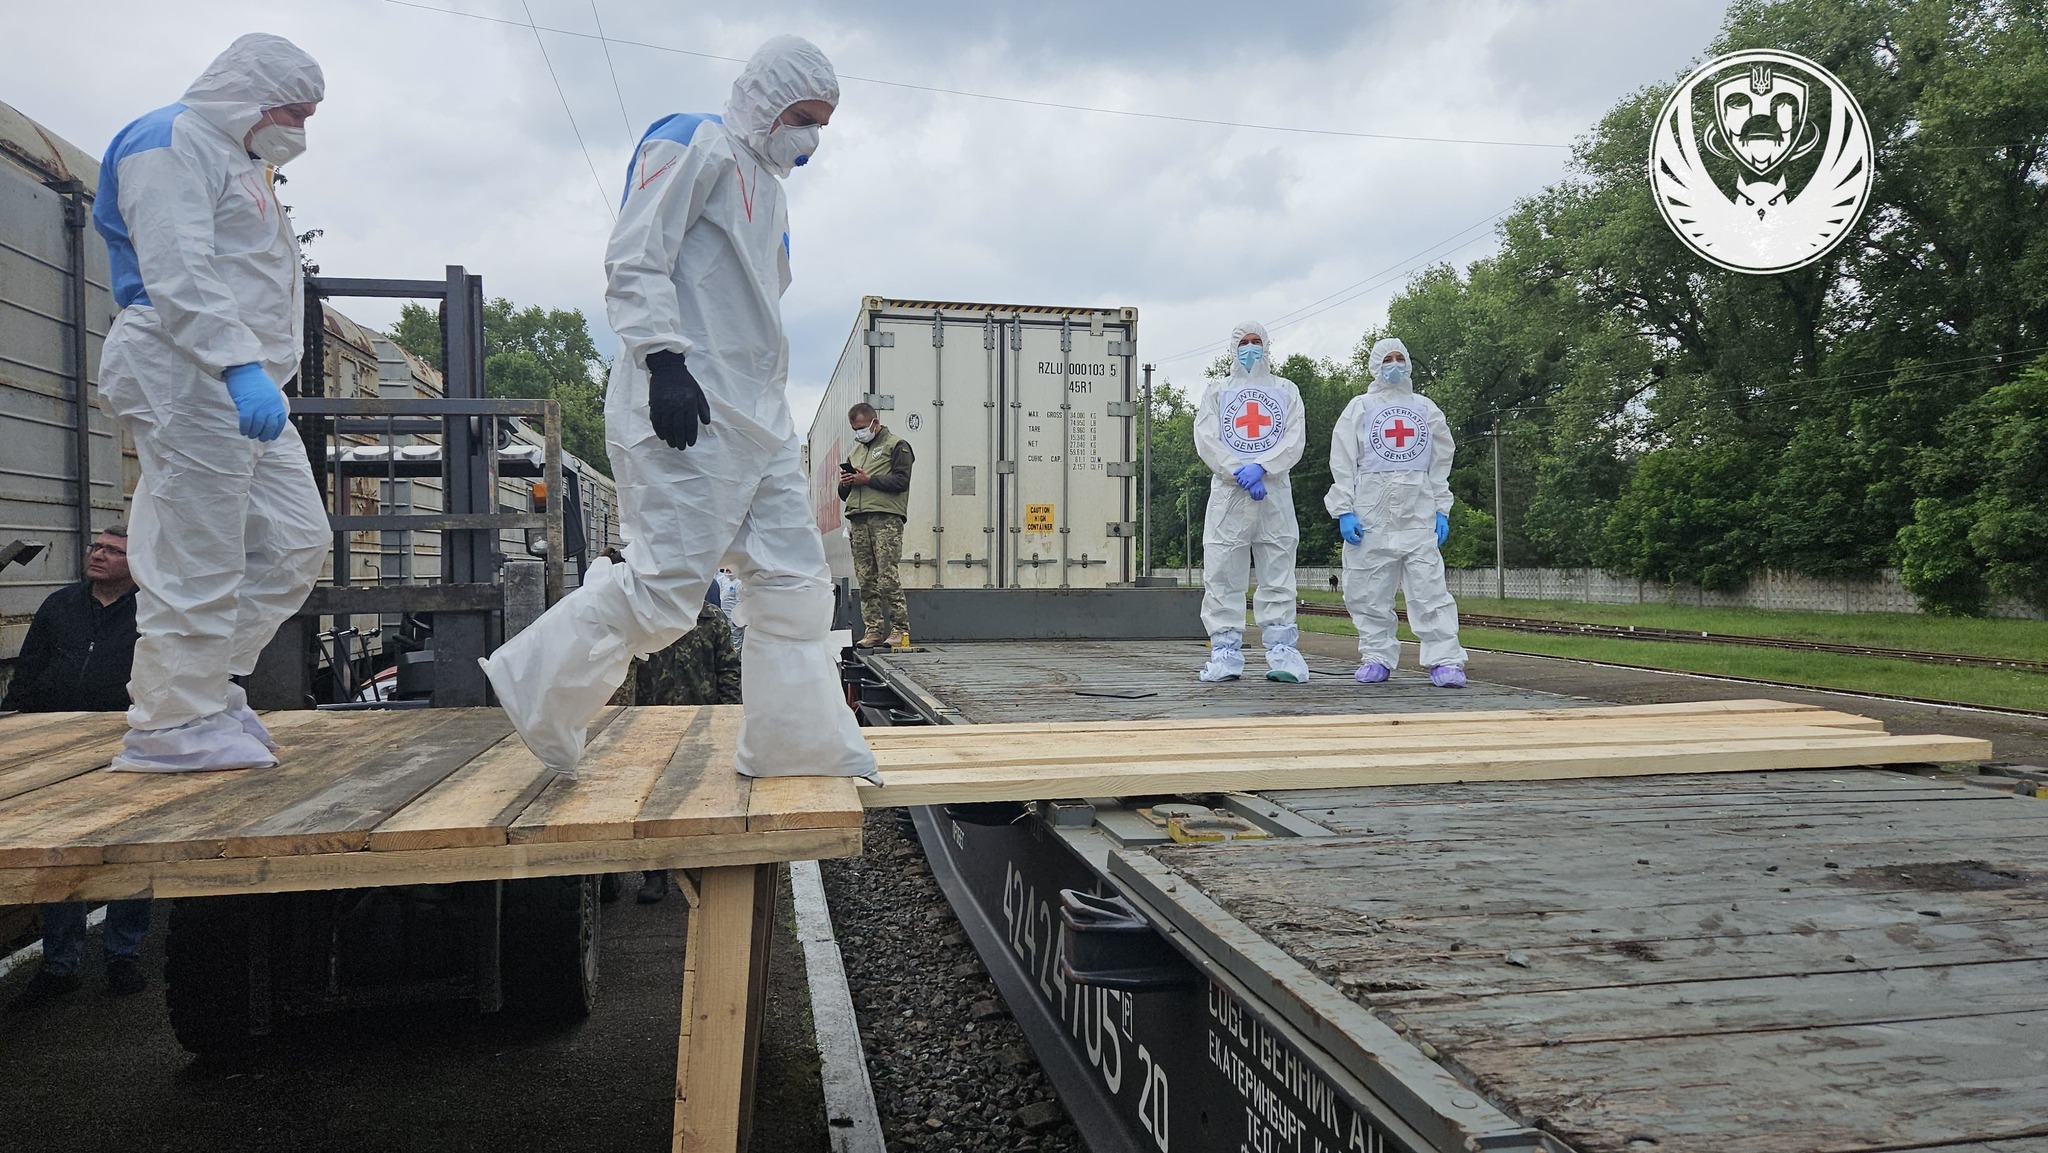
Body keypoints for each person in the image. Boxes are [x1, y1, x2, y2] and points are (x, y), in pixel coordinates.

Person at [482, 36, 877, 783]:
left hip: (758, 418)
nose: (811, 139)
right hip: (688, 405)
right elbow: (638, 252)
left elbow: (751, 307)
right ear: (766, 100)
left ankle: (793, 743)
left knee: (796, 583)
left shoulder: (771, 193)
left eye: (821, 125)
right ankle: (536, 685)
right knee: (665, 594)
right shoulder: (694, 143)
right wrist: (663, 358)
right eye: (802, 118)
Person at [93, 34, 332, 772]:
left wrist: (253, 370)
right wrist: (236, 363)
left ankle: (205, 686)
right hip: (186, 365)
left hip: (241, 379)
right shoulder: (168, 142)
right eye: (293, 112)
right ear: (250, 94)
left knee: (295, 540)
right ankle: (169, 723)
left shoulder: (238, 159)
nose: (299, 129)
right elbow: (178, 264)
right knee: (198, 549)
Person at [3, 526, 153, 1009]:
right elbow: (28, 669)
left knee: (129, 850)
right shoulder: (59, 605)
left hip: (126, 745)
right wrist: (13, 722)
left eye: (114, 551)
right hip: (56, 745)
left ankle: (122, 956)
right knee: (59, 853)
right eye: (97, 547)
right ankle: (59, 964)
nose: (99, 555)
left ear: (137, 562)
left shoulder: (154, 609)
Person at [1326, 337, 1468, 687]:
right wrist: (1344, 510)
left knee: (1430, 589)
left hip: (1418, 514)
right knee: (1367, 590)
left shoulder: (1425, 409)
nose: (1394, 365)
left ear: (1408, 363)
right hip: (1370, 514)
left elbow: (1441, 463)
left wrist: (1441, 508)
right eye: (1387, 359)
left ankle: (1445, 660)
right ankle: (1376, 656)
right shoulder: (1360, 407)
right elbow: (1342, 460)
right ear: (1375, 365)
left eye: (1400, 358)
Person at [1194, 322, 1308, 683]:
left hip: (1274, 493)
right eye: (1244, 342)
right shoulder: (1218, 391)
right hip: (1229, 496)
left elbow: (1294, 438)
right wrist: (1236, 471)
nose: (1250, 348)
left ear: (1267, 345)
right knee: (1223, 573)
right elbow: (1206, 438)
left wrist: (1263, 467)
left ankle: (1283, 653)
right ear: (1233, 348)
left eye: (1256, 341)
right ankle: (1225, 653)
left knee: (1278, 572)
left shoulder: (1286, 390)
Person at [626, 587, 743, 904]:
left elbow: (729, 670)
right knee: (652, 802)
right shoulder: (644, 616)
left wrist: (729, 718)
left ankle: (699, 868)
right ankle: (655, 874)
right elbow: (625, 668)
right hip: (653, 725)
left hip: (701, 726)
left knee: (702, 799)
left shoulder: (711, 618)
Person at [837, 402, 914, 647]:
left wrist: (868, 479)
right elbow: (843, 494)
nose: (859, 433)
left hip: (885, 518)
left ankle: (900, 629)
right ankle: (873, 630)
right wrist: (847, 481)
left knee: (887, 575)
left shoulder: (897, 445)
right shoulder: (856, 452)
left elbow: (901, 481)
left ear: (875, 422)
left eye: (861, 427)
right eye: (854, 429)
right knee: (866, 578)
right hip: (858, 518)